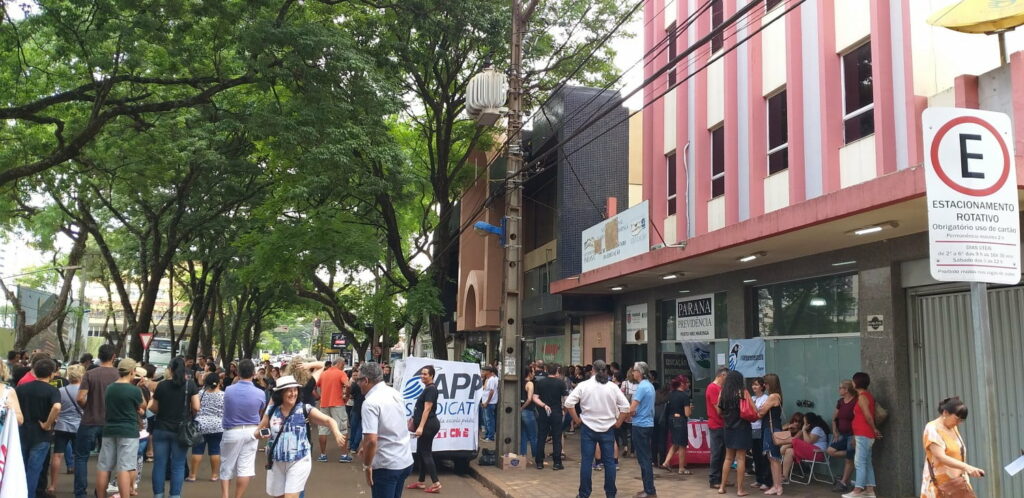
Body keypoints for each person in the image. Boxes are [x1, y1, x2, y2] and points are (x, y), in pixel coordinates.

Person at [255, 374, 346, 498]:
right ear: (280, 393)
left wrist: (337, 433)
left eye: (295, 390)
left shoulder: (305, 409)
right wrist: (261, 434)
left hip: (299, 460)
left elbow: (328, 421)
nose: (293, 394)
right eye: (289, 391)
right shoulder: (271, 411)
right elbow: (258, 431)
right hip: (276, 461)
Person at [564, 360, 630, 498]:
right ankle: (611, 493)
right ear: (605, 371)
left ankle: (584, 493)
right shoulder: (612, 387)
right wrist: (618, 423)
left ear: (592, 370)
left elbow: (569, 403)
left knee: (587, 462)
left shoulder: (584, 385)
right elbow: (626, 407)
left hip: (588, 428)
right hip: (608, 429)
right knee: (610, 463)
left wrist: (577, 420)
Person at [356, 362, 414, 498]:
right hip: (404, 460)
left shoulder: (370, 402)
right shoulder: (395, 393)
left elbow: (371, 441)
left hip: (386, 465)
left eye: (358, 380)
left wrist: (367, 466)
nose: (357, 383)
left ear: (366, 380)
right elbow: (396, 424)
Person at [149, 356, 200, 498]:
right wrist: (189, 415)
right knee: (177, 465)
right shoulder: (190, 385)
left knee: (159, 464)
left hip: (161, 428)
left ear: (170, 369)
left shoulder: (162, 385)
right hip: (181, 430)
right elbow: (196, 406)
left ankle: (158, 495)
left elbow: (154, 408)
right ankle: (175, 495)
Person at [75, 344, 120, 498]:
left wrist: (88, 407)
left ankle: (80, 493)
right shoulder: (119, 375)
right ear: (113, 356)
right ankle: (100, 492)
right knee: (106, 460)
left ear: (99, 356)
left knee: (81, 457)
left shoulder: (90, 374)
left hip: (89, 420)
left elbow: (80, 397)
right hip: (110, 422)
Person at [95, 358, 145, 498]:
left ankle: (100, 495)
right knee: (125, 466)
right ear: (132, 371)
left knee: (104, 466)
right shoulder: (134, 390)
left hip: (110, 429)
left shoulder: (110, 388)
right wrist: (139, 387)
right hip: (128, 430)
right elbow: (143, 406)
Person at [221, 359, 267, 498]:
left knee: (226, 466)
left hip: (231, 431)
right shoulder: (260, 393)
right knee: (245, 468)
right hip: (251, 432)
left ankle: (225, 496)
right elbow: (261, 411)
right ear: (254, 373)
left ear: (238, 373)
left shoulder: (228, 390)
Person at [921, 397, 984, 498]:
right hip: (941, 485)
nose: (958, 423)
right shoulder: (932, 429)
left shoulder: (953, 427)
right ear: (945, 413)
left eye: (961, 420)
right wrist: (967, 467)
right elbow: (941, 457)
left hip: (958, 483)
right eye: (957, 419)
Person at [16, 357, 61, 498]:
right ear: (52, 373)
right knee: (34, 469)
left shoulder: (21, 388)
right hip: (41, 435)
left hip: (22, 432)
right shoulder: (53, 391)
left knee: (20, 468)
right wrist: (47, 424)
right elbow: (57, 406)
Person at [843, 372, 881, 498]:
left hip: (864, 433)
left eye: (853, 381)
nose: (852, 383)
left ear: (857, 383)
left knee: (859, 462)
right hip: (864, 434)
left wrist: (874, 428)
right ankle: (870, 490)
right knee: (867, 462)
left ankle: (858, 490)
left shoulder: (862, 397)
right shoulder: (867, 396)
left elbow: (868, 416)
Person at [716, 370, 753, 496]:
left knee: (728, 457)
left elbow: (719, 411)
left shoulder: (723, 392)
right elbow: (752, 409)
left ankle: (722, 487)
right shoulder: (743, 392)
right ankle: (740, 489)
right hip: (742, 427)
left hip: (728, 427)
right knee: (741, 458)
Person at [49, 364, 84, 495]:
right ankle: (78, 487)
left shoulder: (61, 390)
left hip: (61, 426)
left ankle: (52, 485)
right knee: (79, 458)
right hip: (79, 426)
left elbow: (57, 407)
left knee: (57, 455)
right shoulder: (84, 391)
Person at [406, 365, 442, 493]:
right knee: (422, 452)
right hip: (427, 425)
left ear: (431, 376)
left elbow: (427, 409)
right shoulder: (427, 388)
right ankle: (421, 482)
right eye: (421, 373)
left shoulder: (431, 390)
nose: (422, 376)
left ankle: (436, 483)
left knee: (425, 453)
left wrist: (420, 427)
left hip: (428, 425)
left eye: (425, 374)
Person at [189, 372, 226, 481]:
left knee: (197, 450)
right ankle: (214, 475)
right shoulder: (224, 395)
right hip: (218, 425)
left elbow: (194, 407)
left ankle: (193, 475)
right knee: (215, 450)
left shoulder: (200, 393)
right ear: (219, 382)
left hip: (200, 424)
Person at [628, 362, 657, 498]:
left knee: (644, 459)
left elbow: (632, 408)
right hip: (648, 424)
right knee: (646, 457)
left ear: (639, 372)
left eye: (634, 371)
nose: (633, 373)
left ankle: (649, 490)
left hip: (640, 425)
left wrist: (627, 415)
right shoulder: (650, 386)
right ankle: (648, 488)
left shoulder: (641, 387)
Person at [532, 363, 566, 470]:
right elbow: (566, 399)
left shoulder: (540, 382)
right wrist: (563, 409)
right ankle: (557, 463)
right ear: (557, 371)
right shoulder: (561, 383)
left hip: (543, 412)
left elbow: (535, 398)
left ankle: (539, 462)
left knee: (541, 436)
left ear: (547, 370)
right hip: (556, 412)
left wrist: (544, 405)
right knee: (557, 437)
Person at [316, 357, 350, 463]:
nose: (344, 366)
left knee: (323, 429)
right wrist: (346, 395)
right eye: (343, 364)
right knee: (342, 429)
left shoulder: (323, 374)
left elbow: (315, 385)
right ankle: (344, 455)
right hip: (338, 404)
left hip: (324, 404)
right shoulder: (341, 373)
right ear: (339, 363)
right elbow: (348, 385)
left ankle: (323, 454)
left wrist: (317, 396)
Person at [757, 373, 785, 496]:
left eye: (766, 383)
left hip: (771, 428)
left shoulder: (773, 396)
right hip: (773, 427)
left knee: (774, 458)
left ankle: (777, 486)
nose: (765, 386)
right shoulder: (777, 395)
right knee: (772, 457)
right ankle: (776, 485)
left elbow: (761, 412)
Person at [828, 380, 858, 493]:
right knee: (830, 450)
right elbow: (834, 418)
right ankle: (853, 453)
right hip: (842, 434)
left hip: (852, 434)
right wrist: (835, 431)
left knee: (848, 460)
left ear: (847, 390)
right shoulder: (840, 401)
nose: (839, 389)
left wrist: (855, 435)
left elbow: (858, 419)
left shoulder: (855, 401)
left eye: (841, 387)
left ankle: (844, 482)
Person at [782, 412, 830, 480]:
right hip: (811, 452)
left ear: (810, 422)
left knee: (795, 440)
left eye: (805, 423)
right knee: (789, 451)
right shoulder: (812, 430)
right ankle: (785, 477)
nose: (804, 425)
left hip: (818, 453)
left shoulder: (817, 429)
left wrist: (803, 430)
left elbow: (808, 442)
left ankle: (781, 450)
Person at [661, 375, 692, 475]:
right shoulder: (684, 396)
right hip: (680, 421)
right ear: (682, 384)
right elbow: (687, 413)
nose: (688, 384)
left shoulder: (671, 394)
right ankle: (681, 468)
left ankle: (666, 462)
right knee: (682, 445)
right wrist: (690, 408)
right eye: (687, 382)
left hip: (671, 420)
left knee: (675, 443)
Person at [706, 367, 728, 489]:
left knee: (723, 453)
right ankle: (714, 479)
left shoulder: (721, 388)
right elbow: (718, 410)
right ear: (722, 376)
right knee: (716, 453)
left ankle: (721, 478)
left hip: (722, 424)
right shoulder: (713, 388)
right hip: (716, 424)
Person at [748, 377, 771, 491]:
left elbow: (759, 412)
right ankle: (759, 479)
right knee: (756, 456)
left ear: (762, 386)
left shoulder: (766, 398)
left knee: (763, 456)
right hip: (751, 429)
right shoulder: (752, 398)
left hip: (761, 429)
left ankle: (766, 481)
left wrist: (753, 408)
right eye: (753, 385)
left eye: (756, 385)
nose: (754, 387)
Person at [518, 367, 538, 464]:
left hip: (521, 412)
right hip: (528, 411)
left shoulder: (520, 382)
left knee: (524, 435)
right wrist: (523, 407)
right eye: (533, 372)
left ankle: (523, 457)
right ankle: (536, 457)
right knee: (533, 435)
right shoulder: (530, 383)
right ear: (529, 373)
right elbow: (530, 398)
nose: (534, 374)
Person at [481, 366, 498, 441]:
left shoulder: (491, 379)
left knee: (489, 420)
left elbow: (491, 391)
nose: (483, 372)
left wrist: (487, 402)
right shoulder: (488, 379)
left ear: (488, 371)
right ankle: (487, 435)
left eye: (484, 371)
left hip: (490, 403)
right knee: (486, 420)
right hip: (485, 402)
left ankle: (490, 436)